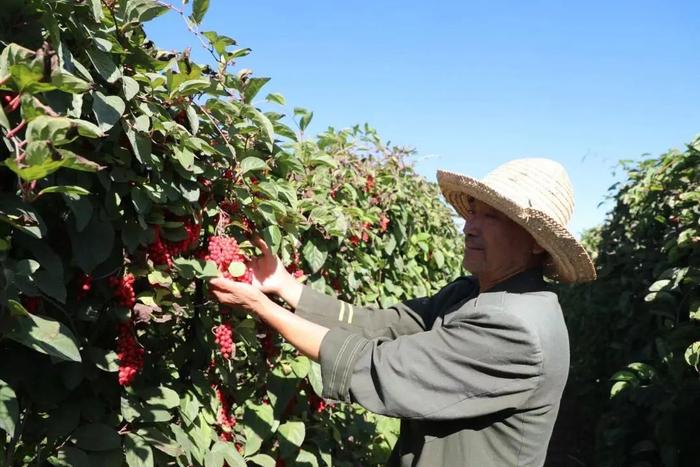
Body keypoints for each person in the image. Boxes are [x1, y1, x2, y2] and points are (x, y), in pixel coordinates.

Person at [209, 158, 596, 466]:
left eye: (491, 216)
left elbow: (378, 365)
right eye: (473, 211)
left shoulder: (514, 328)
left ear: (536, 245)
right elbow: (382, 325)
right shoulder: (472, 294)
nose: (469, 226)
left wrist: (261, 307)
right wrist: (284, 285)